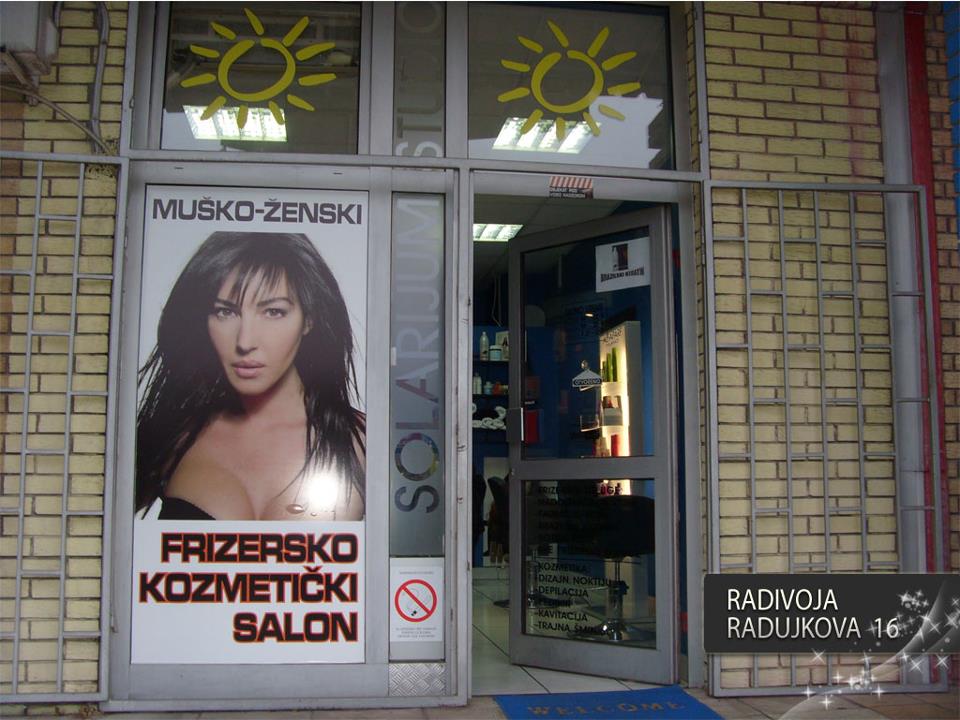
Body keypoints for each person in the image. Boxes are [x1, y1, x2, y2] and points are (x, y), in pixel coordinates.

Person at [136, 231, 365, 521]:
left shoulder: (363, 443)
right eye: (225, 312)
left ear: (308, 319)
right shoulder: (175, 435)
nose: (245, 341)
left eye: (273, 312)